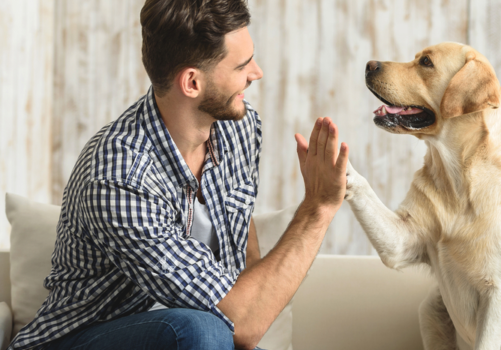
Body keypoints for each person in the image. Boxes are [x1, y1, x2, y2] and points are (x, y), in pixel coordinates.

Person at [8, 0, 348, 349]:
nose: (256, 72)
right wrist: (317, 208)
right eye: (242, 65)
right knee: (198, 328)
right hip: (83, 338)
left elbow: (243, 260)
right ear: (191, 82)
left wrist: (250, 320)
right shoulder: (118, 175)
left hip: (206, 335)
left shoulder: (239, 130)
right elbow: (239, 322)